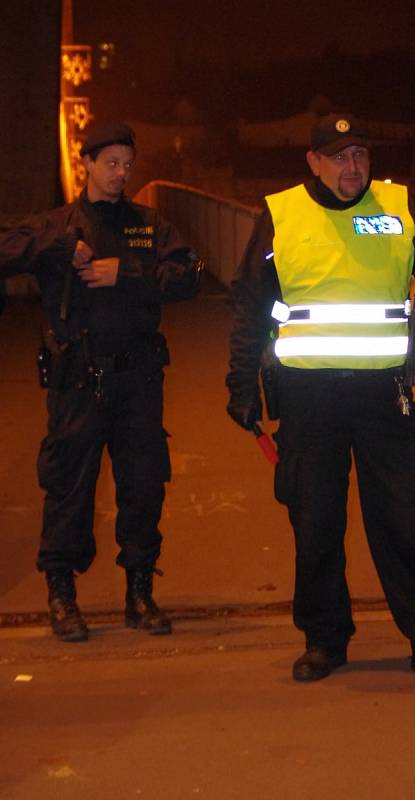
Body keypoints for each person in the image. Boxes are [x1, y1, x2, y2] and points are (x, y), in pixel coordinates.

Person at [226, 112, 415, 683]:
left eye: (360, 154)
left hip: (384, 392)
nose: (352, 166)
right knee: (315, 521)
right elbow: (249, 304)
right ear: (313, 162)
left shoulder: (401, 207)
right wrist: (240, 384)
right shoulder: (280, 214)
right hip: (308, 395)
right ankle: (323, 638)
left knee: (406, 519)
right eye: (338, 156)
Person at [0, 121, 203, 642]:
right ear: (86, 162)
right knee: (68, 487)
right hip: (78, 381)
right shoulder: (57, 225)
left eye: (128, 165)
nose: (121, 174)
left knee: (143, 487)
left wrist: (127, 273)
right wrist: (59, 245)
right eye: (111, 163)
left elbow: (188, 277)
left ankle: (140, 594)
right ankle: (61, 597)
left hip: (137, 380)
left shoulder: (146, 224)